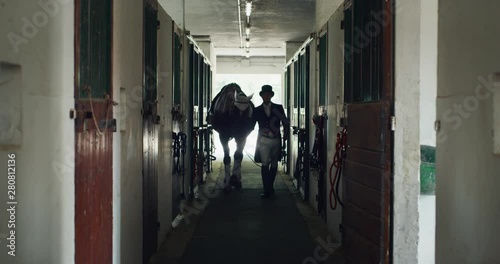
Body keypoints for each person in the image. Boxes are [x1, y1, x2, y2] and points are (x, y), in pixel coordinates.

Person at [252, 85, 290, 198]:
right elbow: (251, 124)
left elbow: (285, 122)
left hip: (276, 139)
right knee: (264, 164)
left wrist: (286, 134)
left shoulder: (278, 108)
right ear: (262, 96)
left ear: (271, 95)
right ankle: (266, 188)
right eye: (264, 94)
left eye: (268, 94)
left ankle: (270, 186)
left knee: (274, 164)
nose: (266, 96)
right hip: (263, 140)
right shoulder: (257, 110)